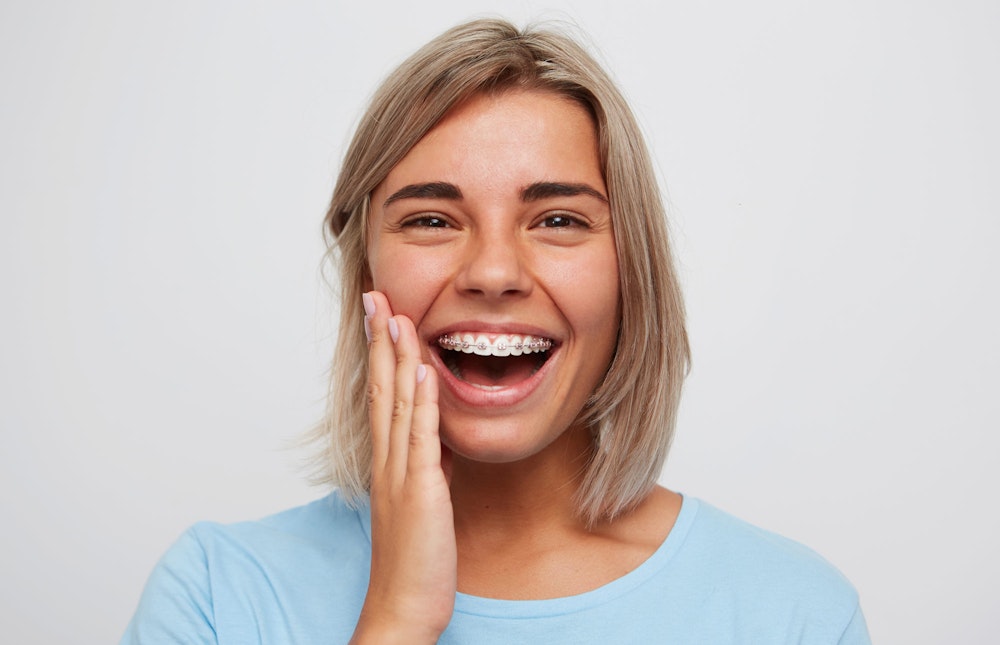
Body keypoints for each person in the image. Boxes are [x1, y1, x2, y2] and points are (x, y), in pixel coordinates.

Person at [122, 18, 870, 644]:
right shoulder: (216, 596)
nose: (494, 271)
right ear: (366, 277)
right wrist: (396, 616)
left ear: (629, 273)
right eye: (431, 219)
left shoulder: (793, 613)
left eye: (557, 220)